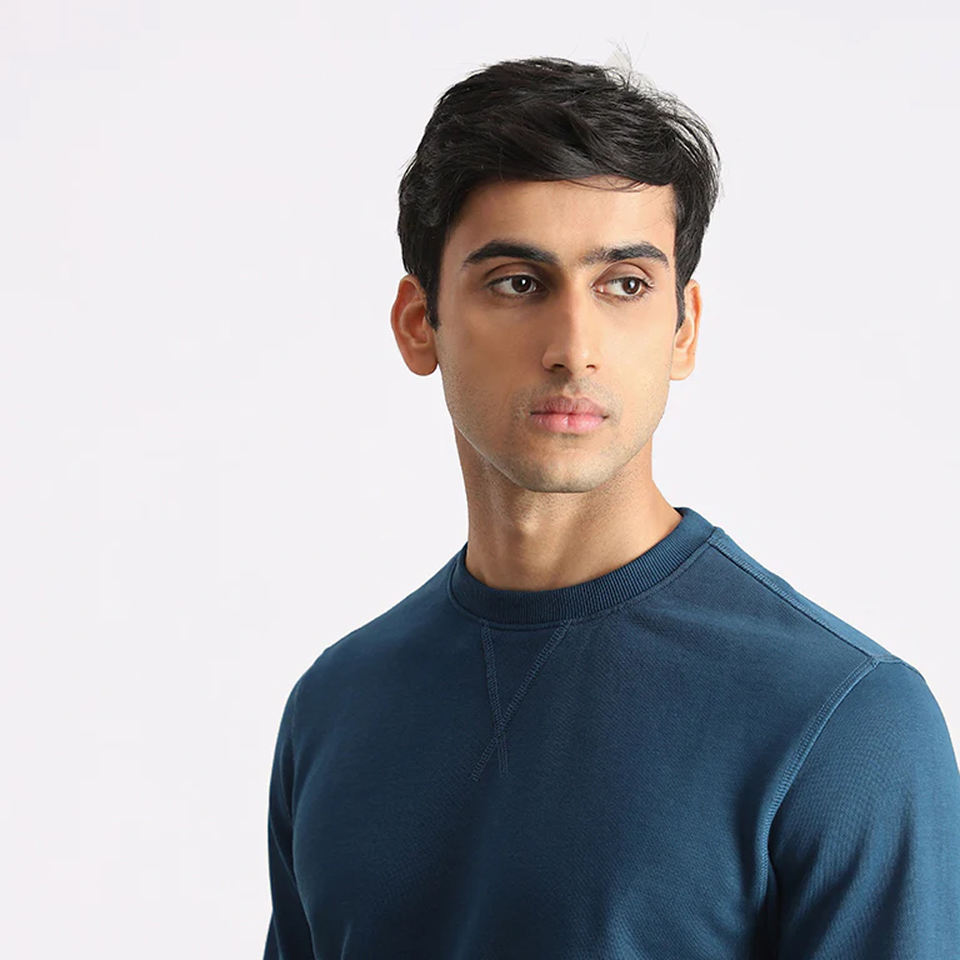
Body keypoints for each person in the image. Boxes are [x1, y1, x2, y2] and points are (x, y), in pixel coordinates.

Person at [262, 56, 960, 959]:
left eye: (625, 284)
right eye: (518, 281)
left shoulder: (845, 724)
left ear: (684, 329)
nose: (574, 347)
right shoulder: (335, 707)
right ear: (418, 322)